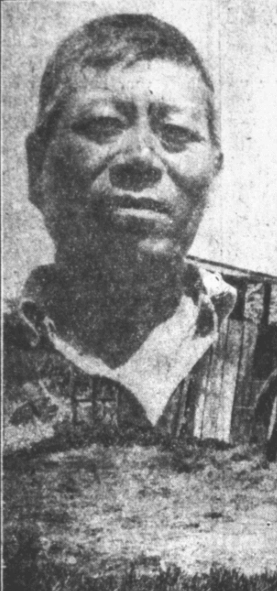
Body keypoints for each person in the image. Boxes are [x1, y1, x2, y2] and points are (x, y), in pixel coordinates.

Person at [10, 13, 235, 425]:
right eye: (104, 125)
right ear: (37, 166)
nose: (141, 159)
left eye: (176, 132)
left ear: (213, 174)